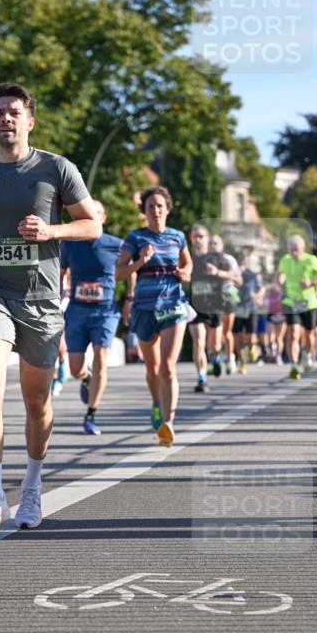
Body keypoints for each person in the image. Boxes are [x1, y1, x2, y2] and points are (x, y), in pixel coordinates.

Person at [0, 82, 100, 535]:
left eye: (14, 112)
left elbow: (92, 224)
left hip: (41, 301)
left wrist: (52, 231)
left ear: (29, 121)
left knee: (36, 402)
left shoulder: (56, 168)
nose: (6, 119)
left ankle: (33, 487)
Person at [116, 187, 192, 447]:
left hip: (173, 305)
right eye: (151, 207)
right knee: (152, 370)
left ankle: (168, 423)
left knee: (168, 367)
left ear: (167, 209)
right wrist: (139, 261)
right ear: (145, 211)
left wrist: (185, 274)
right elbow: (118, 274)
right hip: (145, 309)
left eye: (160, 206)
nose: (156, 210)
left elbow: (188, 264)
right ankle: (157, 403)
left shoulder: (178, 237)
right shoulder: (135, 237)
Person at [60, 198, 123, 435]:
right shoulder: (70, 244)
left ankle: (91, 414)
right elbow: (60, 272)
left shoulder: (116, 245)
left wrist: (130, 299)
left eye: (98, 213)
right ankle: (86, 377)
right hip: (77, 310)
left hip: (105, 310)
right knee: (75, 368)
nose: (93, 216)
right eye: (89, 213)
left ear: (103, 218)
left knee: (101, 357)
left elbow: (129, 269)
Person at [276, 235, 317, 379]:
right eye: (291, 250)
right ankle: (294, 365)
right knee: (293, 333)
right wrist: (280, 282)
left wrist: (312, 282)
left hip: (309, 303)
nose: (294, 253)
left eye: (297, 250)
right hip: (291, 302)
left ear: (303, 249)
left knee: (309, 335)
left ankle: (309, 355)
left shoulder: (311, 260)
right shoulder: (285, 260)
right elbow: (279, 276)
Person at [188, 225, 226, 390]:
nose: (198, 239)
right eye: (195, 236)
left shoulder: (216, 258)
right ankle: (202, 378)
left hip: (214, 306)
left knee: (215, 345)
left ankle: (215, 358)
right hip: (195, 306)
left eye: (201, 236)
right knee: (198, 342)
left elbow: (236, 278)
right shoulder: (187, 258)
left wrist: (218, 272)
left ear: (207, 238)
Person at [208, 233, 242, 374]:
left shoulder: (229, 260)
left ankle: (230, 357)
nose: (213, 245)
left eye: (216, 243)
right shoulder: (204, 260)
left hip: (227, 297)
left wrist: (220, 273)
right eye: (211, 243)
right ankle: (214, 359)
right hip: (211, 300)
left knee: (226, 332)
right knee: (212, 332)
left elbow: (239, 280)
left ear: (222, 246)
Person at [233, 252, 264, 373]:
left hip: (251, 307)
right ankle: (242, 363)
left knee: (251, 337)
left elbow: (261, 288)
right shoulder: (233, 274)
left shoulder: (253, 275)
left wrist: (257, 296)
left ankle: (252, 348)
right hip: (237, 308)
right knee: (238, 336)